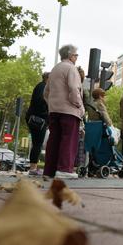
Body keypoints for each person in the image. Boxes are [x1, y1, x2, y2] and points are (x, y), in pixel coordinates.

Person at [43, 44, 85, 179]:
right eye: (76, 55)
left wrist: (52, 104)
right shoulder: (71, 69)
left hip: (54, 110)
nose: (76, 58)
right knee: (69, 138)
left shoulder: (55, 69)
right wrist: (79, 106)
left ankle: (49, 170)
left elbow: (46, 92)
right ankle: (64, 169)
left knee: (54, 139)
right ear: (71, 55)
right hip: (69, 111)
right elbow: (74, 89)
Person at [25, 72, 50, 176]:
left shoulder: (41, 86)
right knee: (38, 143)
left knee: (37, 143)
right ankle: (33, 168)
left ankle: (33, 167)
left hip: (35, 117)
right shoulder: (42, 86)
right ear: (48, 78)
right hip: (38, 119)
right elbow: (40, 101)